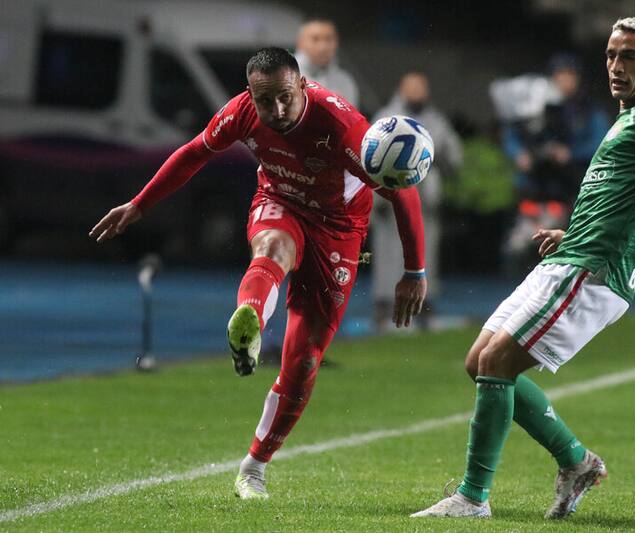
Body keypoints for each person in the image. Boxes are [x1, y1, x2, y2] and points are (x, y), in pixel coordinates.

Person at [411, 17, 635, 520]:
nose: (615, 65)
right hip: (572, 255)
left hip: (594, 272)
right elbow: (622, 198)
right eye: (610, 54)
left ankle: (473, 498)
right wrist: (572, 231)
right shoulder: (627, 119)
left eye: (630, 55)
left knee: (498, 364)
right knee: (480, 362)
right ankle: (575, 462)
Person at [89, 47, 427, 500]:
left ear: (303, 85)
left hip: (339, 230)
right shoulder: (241, 113)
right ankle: (249, 320)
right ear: (250, 93)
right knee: (271, 248)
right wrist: (139, 204)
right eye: (265, 100)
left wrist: (414, 270)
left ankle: (254, 466)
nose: (277, 110)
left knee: (303, 360)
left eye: (285, 97)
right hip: (279, 203)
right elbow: (193, 154)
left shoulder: (343, 129)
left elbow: (403, 195)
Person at [501, 53, 609, 275]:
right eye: (559, 75)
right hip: (535, 185)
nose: (563, 81)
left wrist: (570, 153)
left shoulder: (586, 110)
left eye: (569, 75)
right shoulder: (534, 105)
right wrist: (520, 154)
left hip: (571, 186)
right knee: (519, 248)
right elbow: (512, 134)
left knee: (569, 247)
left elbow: (601, 143)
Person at [371, 72, 463, 330]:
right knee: (389, 249)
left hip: (425, 193)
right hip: (391, 192)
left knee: (426, 248)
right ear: (401, 88)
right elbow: (368, 156)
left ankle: (423, 302)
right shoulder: (386, 117)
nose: (416, 92)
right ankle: (383, 303)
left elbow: (454, 156)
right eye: (411, 87)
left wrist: (441, 161)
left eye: (421, 87)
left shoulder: (436, 120)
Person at [295, 19, 359, 108]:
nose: (323, 47)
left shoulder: (345, 81)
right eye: (315, 39)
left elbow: (351, 120)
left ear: (337, 42)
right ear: (300, 43)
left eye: (328, 39)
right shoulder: (285, 76)